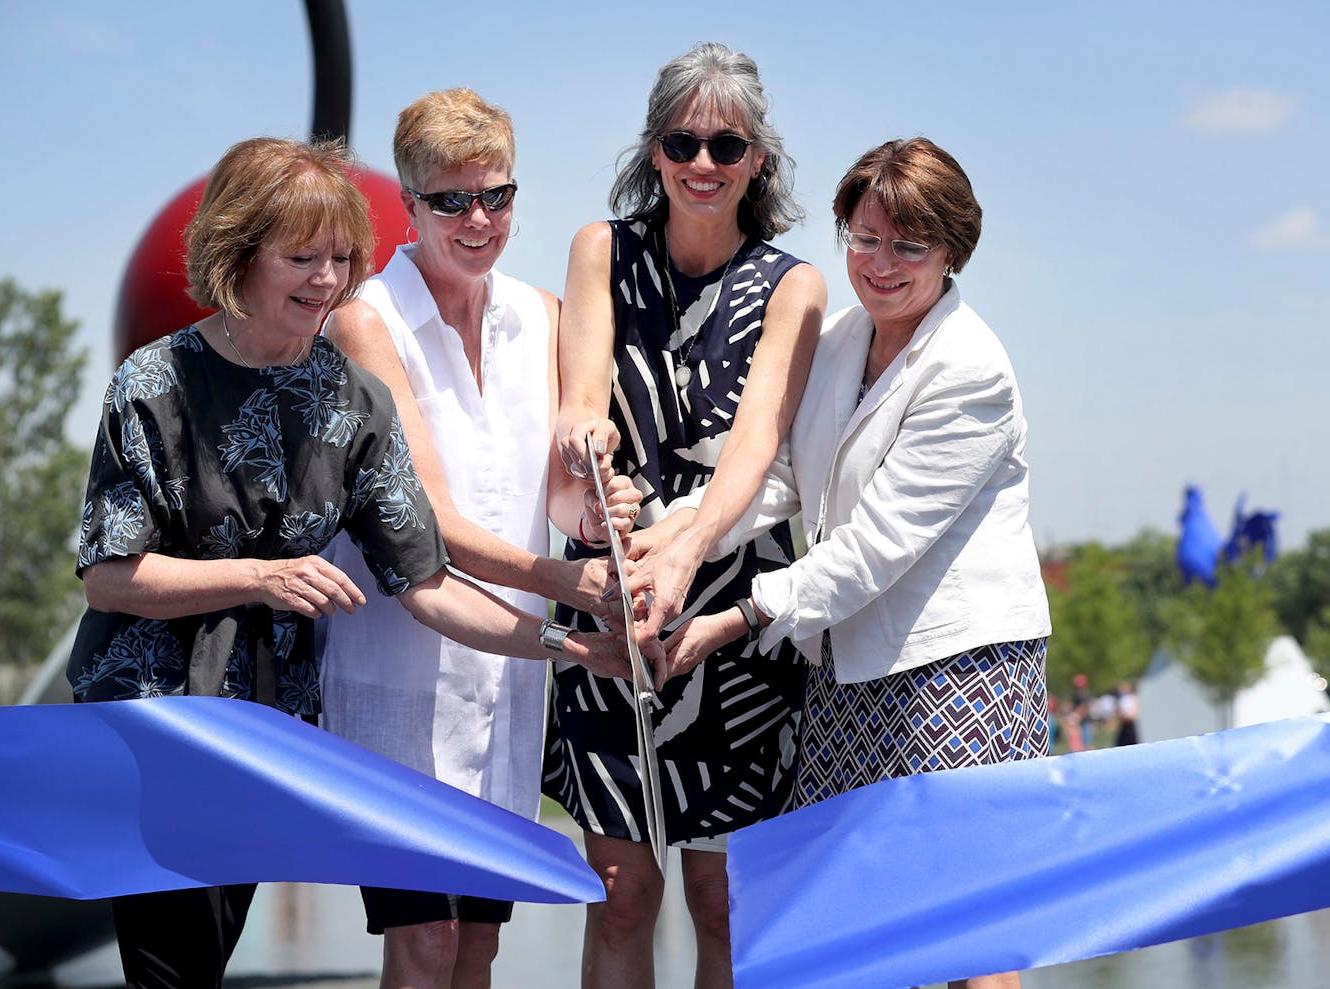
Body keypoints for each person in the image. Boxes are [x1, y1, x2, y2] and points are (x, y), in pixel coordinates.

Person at [66, 136, 633, 989]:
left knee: (208, 959)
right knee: (171, 971)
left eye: (340, 258)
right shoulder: (154, 382)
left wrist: (574, 646)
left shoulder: (350, 396)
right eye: (301, 257)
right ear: (238, 253)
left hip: (272, 732)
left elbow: (430, 583)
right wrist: (259, 577)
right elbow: (108, 574)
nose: (327, 280)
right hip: (159, 725)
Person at [663, 137, 1051, 989]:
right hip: (851, 669)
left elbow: (875, 545)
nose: (881, 263)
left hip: (960, 674)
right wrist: (669, 536)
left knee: (970, 930)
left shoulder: (970, 368)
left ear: (952, 252)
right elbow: (778, 480)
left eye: (910, 245)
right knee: (865, 924)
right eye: (864, 236)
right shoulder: (842, 339)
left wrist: (736, 616)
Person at [313, 88, 636, 989]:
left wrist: (605, 507)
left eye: (496, 194)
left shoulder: (541, 316)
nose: (478, 217)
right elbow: (431, 521)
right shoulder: (365, 323)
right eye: (451, 199)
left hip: (507, 686)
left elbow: (562, 500)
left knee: (479, 944)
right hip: (399, 683)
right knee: (422, 943)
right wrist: (573, 589)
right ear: (409, 207)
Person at [546, 42, 825, 989]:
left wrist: (686, 549)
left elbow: (755, 451)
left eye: (727, 145)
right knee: (620, 888)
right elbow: (582, 394)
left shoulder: (795, 286)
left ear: (759, 160)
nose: (703, 164)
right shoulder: (600, 249)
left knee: (724, 895)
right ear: (655, 151)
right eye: (683, 141)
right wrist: (591, 458)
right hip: (613, 591)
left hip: (734, 613)